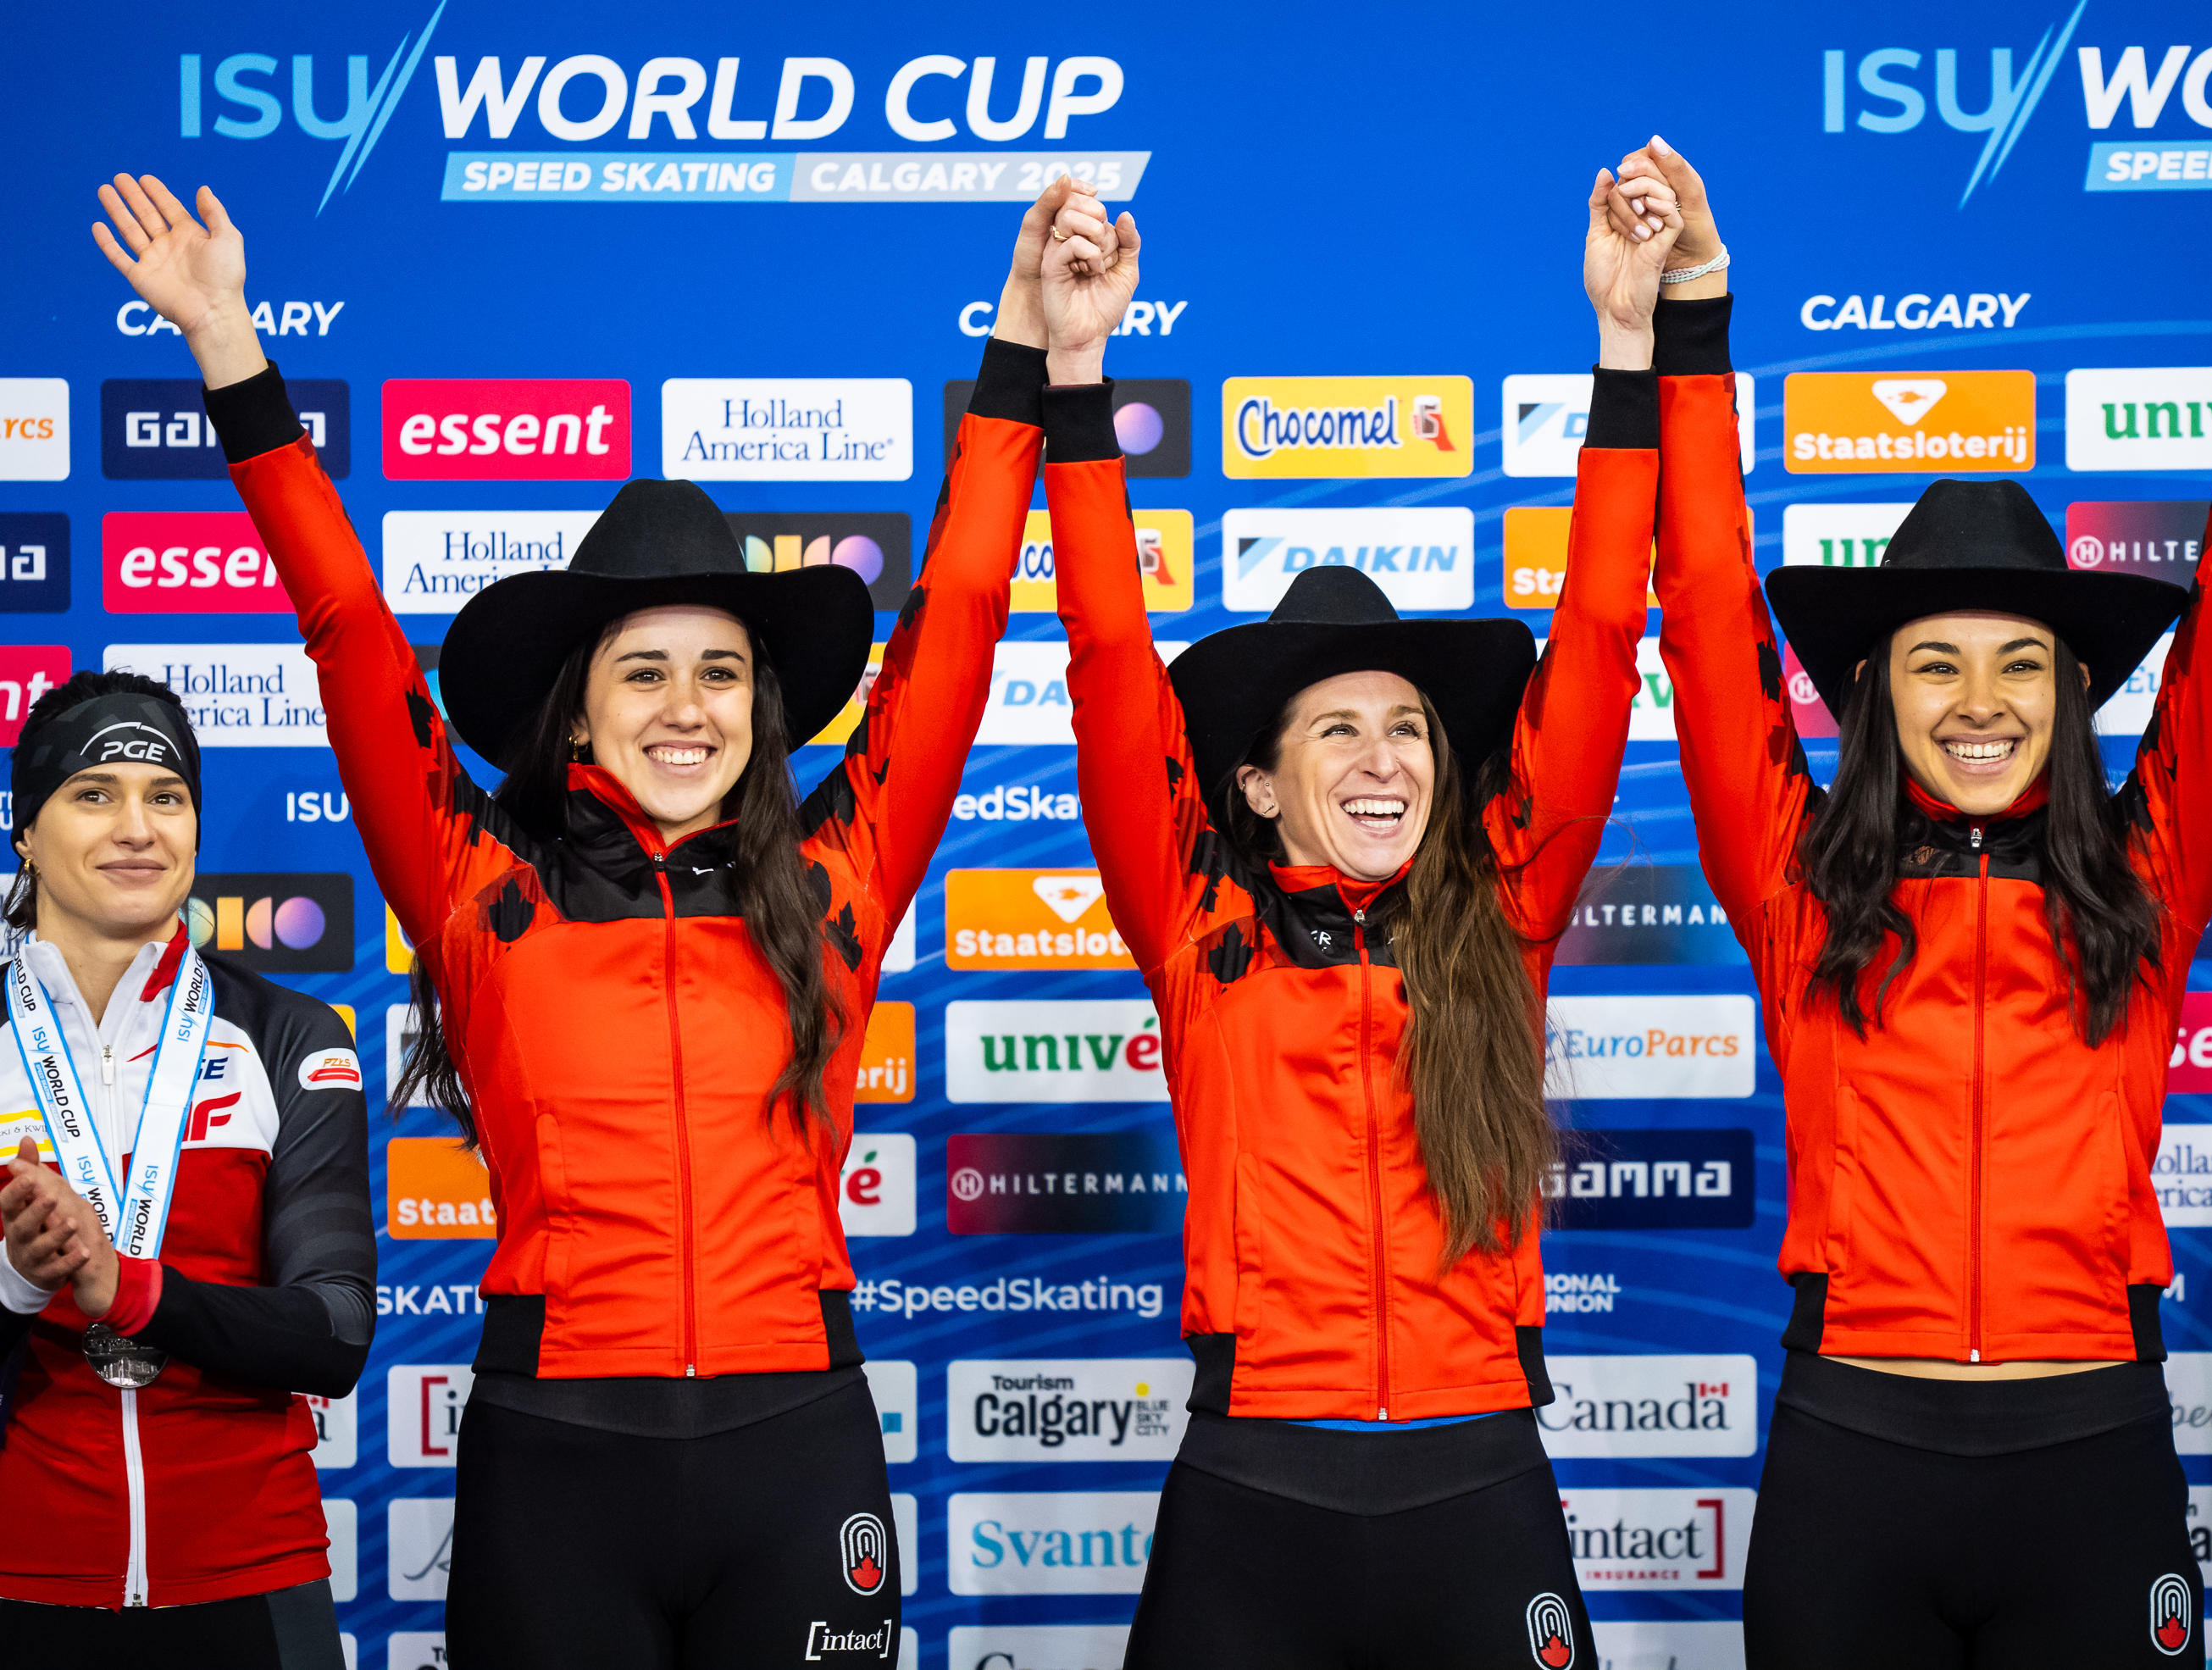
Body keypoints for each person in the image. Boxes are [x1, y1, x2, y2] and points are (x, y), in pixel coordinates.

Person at [89, 169, 1084, 1667]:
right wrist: (230, 344)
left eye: (723, 673)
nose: (687, 709)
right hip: (557, 1450)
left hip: (798, 1438)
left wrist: (1020, 339)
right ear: (576, 714)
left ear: (765, 709)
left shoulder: (838, 874)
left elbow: (957, 619)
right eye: (645, 671)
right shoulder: (480, 882)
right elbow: (349, 625)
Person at [1616, 118, 2212, 1665]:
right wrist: (1694, 311)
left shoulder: (2145, 872)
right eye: (1936, 662)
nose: (1979, 700)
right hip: (1850, 1463)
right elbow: (1699, 612)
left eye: (2022, 662)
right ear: (1874, 692)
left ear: (2076, 687)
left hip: (2093, 1458)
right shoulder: (1796, 877)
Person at [1045, 168, 1680, 1668]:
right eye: (1335, 731)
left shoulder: (1503, 914)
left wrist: (1629, 347)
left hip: (1481, 1485)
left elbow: (1596, 636)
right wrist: (1077, 379)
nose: (1384, 757)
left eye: (1406, 725)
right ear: (1255, 787)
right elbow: (1107, 659)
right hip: (1252, 1489)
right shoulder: (1202, 927)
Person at [0, 669, 374, 1663]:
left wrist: (123, 1290)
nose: (138, 826)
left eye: (166, 798)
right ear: (25, 833)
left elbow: (335, 1330)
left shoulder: (290, 1034)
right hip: (18, 1573)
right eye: (94, 793)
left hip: (253, 1574)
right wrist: (15, 1277)